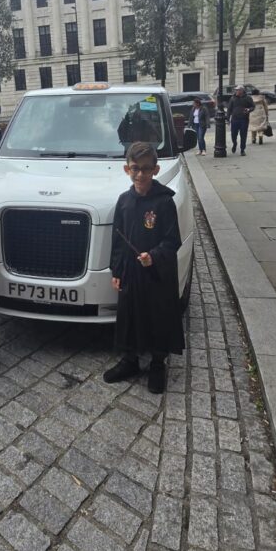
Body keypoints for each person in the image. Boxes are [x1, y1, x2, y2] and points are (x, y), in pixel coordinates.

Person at [103, 141, 185, 395]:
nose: (140, 175)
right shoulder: (124, 201)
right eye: (135, 169)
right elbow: (117, 239)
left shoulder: (164, 203)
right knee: (130, 315)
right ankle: (130, 360)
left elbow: (172, 240)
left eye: (146, 169)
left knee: (157, 317)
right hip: (130, 271)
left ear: (156, 170)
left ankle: (158, 363)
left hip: (156, 273)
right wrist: (116, 271)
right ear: (127, 169)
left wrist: (155, 256)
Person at [227, 86, 254, 156]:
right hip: (234, 119)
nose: (236, 92)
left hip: (244, 119)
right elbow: (229, 109)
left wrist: (249, 109)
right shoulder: (232, 98)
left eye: (238, 90)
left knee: (243, 135)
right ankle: (234, 143)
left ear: (242, 91)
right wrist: (228, 119)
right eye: (236, 90)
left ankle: (242, 149)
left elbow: (253, 106)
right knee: (233, 134)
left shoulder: (248, 98)